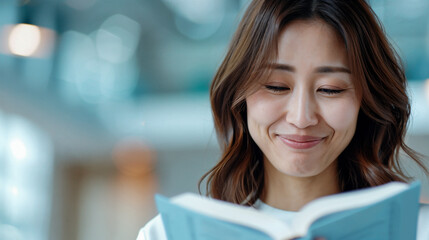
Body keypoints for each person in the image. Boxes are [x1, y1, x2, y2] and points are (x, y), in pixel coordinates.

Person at [137, 0, 429, 239]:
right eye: (276, 86)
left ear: (365, 101)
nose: (301, 118)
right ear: (239, 94)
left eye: (331, 89)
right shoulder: (165, 235)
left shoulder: (420, 231)